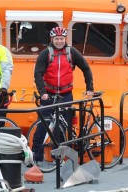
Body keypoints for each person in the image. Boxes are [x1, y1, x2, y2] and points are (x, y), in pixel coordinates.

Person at [32, 26, 94, 162]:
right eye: (57, 39)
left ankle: (58, 157)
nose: (59, 41)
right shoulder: (45, 54)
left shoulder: (72, 52)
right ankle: (36, 156)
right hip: (49, 94)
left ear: (65, 39)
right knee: (43, 125)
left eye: (61, 38)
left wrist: (90, 88)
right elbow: (38, 74)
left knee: (62, 127)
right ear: (52, 39)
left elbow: (86, 68)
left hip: (66, 95)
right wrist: (42, 92)